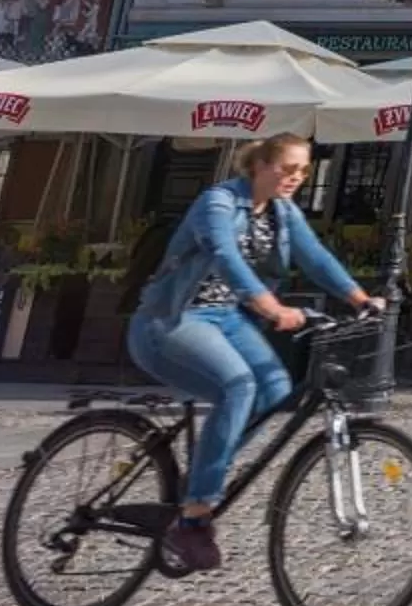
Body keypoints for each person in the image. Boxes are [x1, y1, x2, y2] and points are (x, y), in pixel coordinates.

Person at [128, 135, 377, 571]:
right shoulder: (218, 202)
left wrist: (359, 299)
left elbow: (315, 257)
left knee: (276, 386)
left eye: (302, 172)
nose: (296, 178)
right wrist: (266, 304)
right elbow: (224, 254)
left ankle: (205, 471)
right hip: (172, 320)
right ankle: (194, 519)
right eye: (287, 168)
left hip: (226, 318)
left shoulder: (282, 213)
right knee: (238, 386)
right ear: (260, 164)